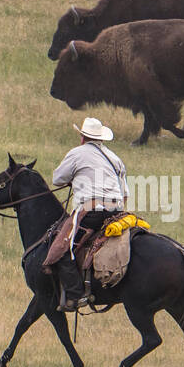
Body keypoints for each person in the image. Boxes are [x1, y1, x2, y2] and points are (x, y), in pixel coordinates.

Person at [46, 117, 128, 311]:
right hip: (117, 211)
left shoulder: (77, 153)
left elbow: (57, 179)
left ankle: (76, 294)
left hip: (92, 212)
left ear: (82, 136)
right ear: (101, 139)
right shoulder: (115, 158)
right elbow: (125, 193)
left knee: (61, 244)